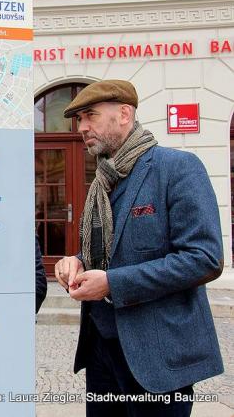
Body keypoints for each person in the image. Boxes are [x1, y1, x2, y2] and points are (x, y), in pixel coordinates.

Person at [55, 80, 223, 416]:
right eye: (79, 120)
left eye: (90, 115)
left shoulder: (177, 168)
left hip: (158, 356)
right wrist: (75, 262)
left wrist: (113, 283)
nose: (82, 127)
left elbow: (204, 258)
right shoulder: (102, 180)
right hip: (101, 351)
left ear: (124, 114)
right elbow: (107, 253)